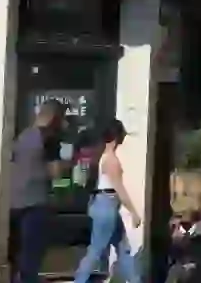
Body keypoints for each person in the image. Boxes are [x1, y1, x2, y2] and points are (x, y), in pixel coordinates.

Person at [73, 119, 141, 283]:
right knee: (96, 250)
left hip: (105, 204)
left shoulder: (103, 157)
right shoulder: (111, 160)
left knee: (123, 248)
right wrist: (133, 212)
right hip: (107, 204)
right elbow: (119, 188)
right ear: (117, 136)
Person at [10, 99, 67, 283]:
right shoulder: (49, 139)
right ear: (53, 118)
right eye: (62, 118)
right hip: (36, 204)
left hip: (14, 202)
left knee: (17, 255)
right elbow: (55, 173)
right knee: (32, 256)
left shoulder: (22, 136)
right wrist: (73, 162)